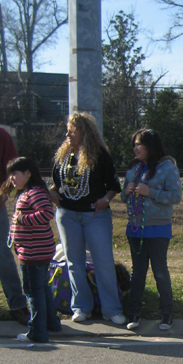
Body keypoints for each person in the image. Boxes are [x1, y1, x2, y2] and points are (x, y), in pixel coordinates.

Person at [49, 112, 125, 324]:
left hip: (95, 215)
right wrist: (52, 192)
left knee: (103, 262)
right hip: (67, 215)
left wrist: (105, 200)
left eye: (72, 131)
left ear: (84, 132)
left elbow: (113, 185)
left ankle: (112, 309)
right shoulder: (64, 156)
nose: (68, 135)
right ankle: (81, 307)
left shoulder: (99, 155)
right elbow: (56, 182)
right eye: (67, 131)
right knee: (74, 263)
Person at [121, 128, 182, 331]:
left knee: (160, 271)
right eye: (134, 144)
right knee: (138, 273)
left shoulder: (167, 168)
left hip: (158, 228)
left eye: (140, 144)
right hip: (135, 228)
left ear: (151, 146)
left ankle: (166, 313)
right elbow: (123, 197)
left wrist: (151, 192)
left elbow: (176, 196)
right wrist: (126, 191)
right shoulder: (134, 169)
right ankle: (133, 313)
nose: (136, 148)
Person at [2, 157, 62, 343]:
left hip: (32, 252)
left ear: (28, 173)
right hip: (37, 250)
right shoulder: (29, 192)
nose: (11, 178)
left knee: (32, 292)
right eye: (10, 175)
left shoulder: (34, 193)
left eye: (15, 174)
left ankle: (37, 332)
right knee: (42, 288)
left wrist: (22, 220)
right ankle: (52, 324)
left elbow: (46, 213)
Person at [0, 123, 29, 325]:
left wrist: (2, 195)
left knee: (3, 256)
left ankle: (17, 305)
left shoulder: (0, 135)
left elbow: (12, 171)